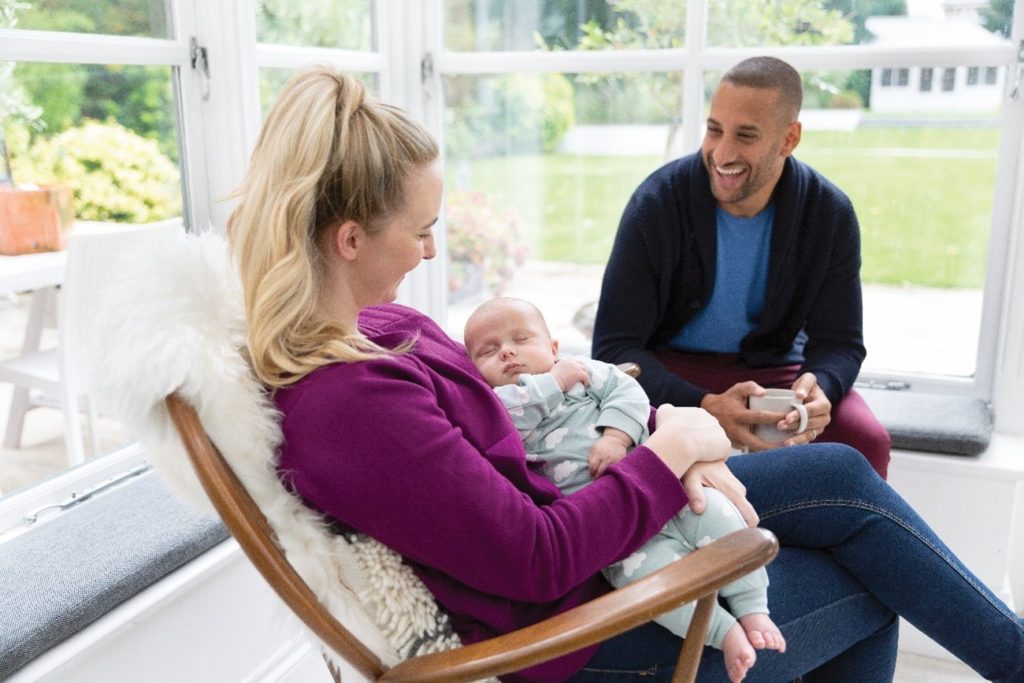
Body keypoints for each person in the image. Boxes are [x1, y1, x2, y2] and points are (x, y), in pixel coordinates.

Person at [227, 64, 1024, 683]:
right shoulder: (348, 405)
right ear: (349, 239)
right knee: (870, 589)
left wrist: (657, 436)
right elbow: (535, 557)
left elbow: (509, 432)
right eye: (422, 230)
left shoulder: (381, 329)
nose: (433, 251)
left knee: (845, 472)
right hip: (575, 627)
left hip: (578, 504)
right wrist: (668, 453)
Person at [592, 56, 891, 478]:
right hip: (670, 371)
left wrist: (822, 385)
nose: (722, 153)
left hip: (776, 377)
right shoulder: (657, 203)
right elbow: (613, 349)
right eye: (714, 130)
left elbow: (841, 343)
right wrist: (704, 404)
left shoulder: (829, 213)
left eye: (745, 136)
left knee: (866, 443)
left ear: (789, 139)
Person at [464, 296, 785, 682]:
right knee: (650, 587)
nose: (508, 352)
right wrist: (551, 383)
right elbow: (511, 413)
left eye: (520, 339)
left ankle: (752, 607)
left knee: (721, 518)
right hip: (619, 534)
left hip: (670, 487)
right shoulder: (498, 409)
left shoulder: (586, 373)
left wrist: (616, 438)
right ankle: (723, 631)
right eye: (490, 350)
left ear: (553, 348)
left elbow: (629, 393)